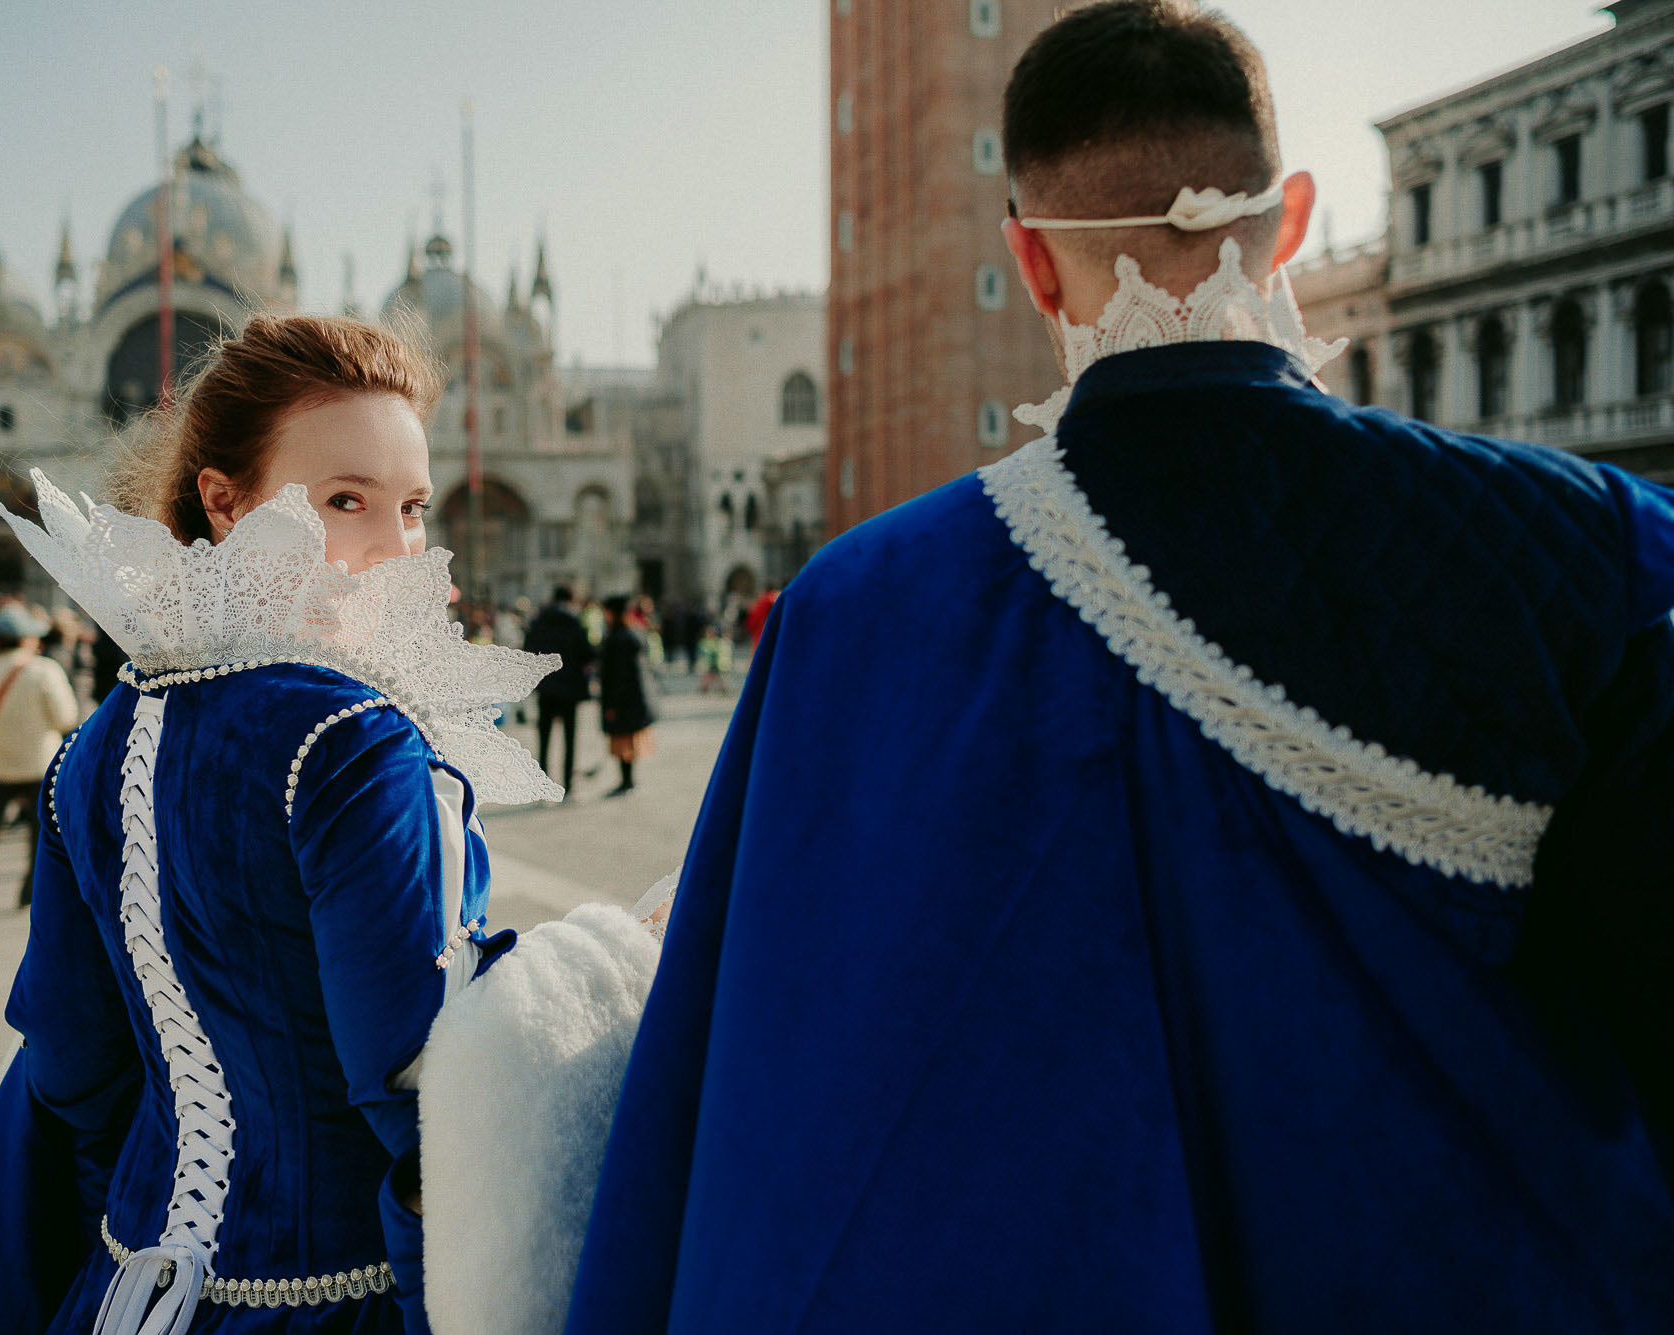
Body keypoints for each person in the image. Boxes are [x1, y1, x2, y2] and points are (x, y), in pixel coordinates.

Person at [567, 4, 1674, 1331]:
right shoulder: (1597, 553)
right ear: (1297, 218)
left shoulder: (846, 614)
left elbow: (765, 1102)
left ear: (1029, 264)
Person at [0, 314, 565, 1335]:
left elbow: (71, 1072)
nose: (395, 547)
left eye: (413, 506)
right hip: (338, 1295)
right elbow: (418, 1084)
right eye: (346, 500)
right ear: (223, 499)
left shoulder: (96, 742)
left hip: (126, 1290)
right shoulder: (355, 736)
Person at [0, 603, 78, 914]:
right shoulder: (45, 669)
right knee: (41, 835)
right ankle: (31, 894)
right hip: (41, 764)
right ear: (25, 638)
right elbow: (66, 715)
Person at [523, 585, 597, 798]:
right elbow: (587, 653)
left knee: (544, 737)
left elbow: (528, 651)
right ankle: (568, 785)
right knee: (569, 737)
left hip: (546, 687)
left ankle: (543, 783)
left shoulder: (539, 621)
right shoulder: (575, 622)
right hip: (570, 688)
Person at [595, 595, 653, 798]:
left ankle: (627, 782)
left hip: (622, 700)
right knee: (627, 740)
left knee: (624, 741)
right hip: (632, 700)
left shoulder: (618, 639)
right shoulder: (630, 634)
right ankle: (627, 781)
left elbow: (618, 677)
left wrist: (612, 704)